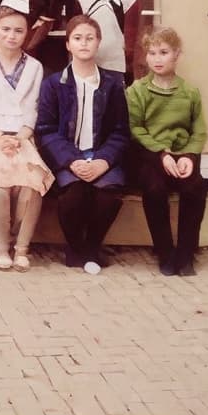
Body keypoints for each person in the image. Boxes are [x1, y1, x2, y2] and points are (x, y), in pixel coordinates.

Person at [36, 15, 130, 273]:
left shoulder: (112, 84)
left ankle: (91, 247)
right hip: (69, 157)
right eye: (77, 38)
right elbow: (45, 130)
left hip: (101, 156)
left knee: (108, 197)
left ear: (98, 42)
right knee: (72, 197)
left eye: (90, 38)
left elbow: (121, 132)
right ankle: (77, 248)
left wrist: (104, 161)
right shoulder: (54, 84)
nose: (84, 43)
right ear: (68, 44)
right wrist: (71, 161)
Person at [0, 5, 54, 272]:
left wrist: (20, 137)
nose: (11, 35)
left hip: (21, 136)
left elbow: (33, 108)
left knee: (32, 184)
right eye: (6, 29)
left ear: (27, 33)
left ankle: (21, 248)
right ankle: (1, 248)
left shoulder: (35, 67)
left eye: (19, 31)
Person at [126, 27, 208, 276]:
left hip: (183, 155)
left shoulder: (189, 92)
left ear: (177, 55)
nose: (157, 58)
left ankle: (185, 253)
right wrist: (162, 153)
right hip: (151, 154)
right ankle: (164, 251)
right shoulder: (137, 91)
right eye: (152, 53)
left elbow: (199, 131)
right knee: (154, 189)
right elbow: (135, 129)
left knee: (195, 188)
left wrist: (190, 156)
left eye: (164, 52)